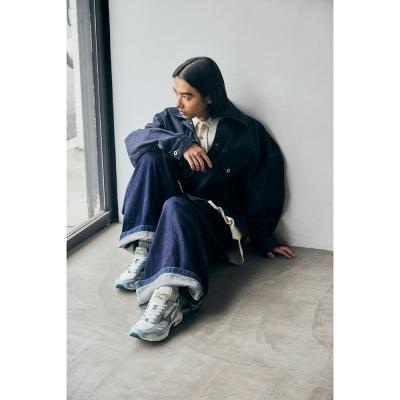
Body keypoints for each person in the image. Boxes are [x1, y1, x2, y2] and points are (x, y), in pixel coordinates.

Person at [115, 56, 296, 342]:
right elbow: (135, 140)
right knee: (150, 158)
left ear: (209, 97)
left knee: (176, 205)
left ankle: (169, 300)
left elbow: (265, 188)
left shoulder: (247, 132)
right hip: (173, 215)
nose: (178, 103)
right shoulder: (170, 120)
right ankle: (146, 249)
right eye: (176, 93)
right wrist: (180, 143)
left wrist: (265, 238)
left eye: (187, 96)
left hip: (213, 224)